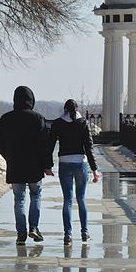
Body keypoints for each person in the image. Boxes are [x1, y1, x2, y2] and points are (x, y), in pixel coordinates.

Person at [0, 86, 54, 244]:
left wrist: (9, 157)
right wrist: (47, 165)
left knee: (19, 199)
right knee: (36, 195)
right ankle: (34, 228)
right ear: (31, 100)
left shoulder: (6, 119)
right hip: (34, 166)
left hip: (15, 166)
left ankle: (21, 233)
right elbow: (44, 145)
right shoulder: (37, 118)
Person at [49, 99, 99, 245]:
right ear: (77, 109)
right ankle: (84, 232)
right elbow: (89, 147)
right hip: (80, 164)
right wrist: (95, 169)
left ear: (64, 109)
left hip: (64, 163)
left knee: (68, 200)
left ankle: (68, 235)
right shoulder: (83, 123)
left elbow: (50, 143)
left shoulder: (58, 123)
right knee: (81, 199)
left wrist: (48, 165)